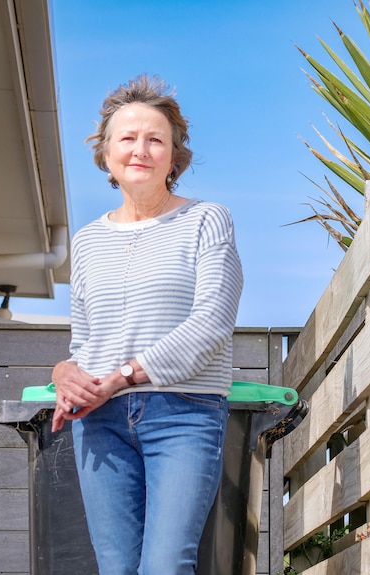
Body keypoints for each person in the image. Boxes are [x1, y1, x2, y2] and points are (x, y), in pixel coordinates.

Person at [50, 74, 244, 575]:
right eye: (128, 138)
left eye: (155, 139)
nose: (141, 149)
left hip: (184, 413)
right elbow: (84, 340)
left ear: (174, 156)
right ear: (107, 153)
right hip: (98, 422)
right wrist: (63, 374)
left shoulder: (208, 220)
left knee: (164, 566)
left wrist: (124, 375)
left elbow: (213, 322)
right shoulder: (89, 242)